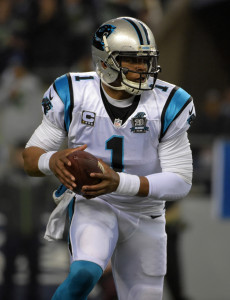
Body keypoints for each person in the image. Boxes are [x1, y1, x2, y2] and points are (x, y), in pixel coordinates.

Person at [22, 16, 195, 300]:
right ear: (104, 61)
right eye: (132, 60)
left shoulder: (169, 103)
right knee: (84, 273)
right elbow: (30, 158)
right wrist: (51, 160)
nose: (143, 68)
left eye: (146, 60)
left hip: (145, 213)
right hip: (94, 202)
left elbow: (181, 180)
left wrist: (119, 182)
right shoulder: (74, 93)